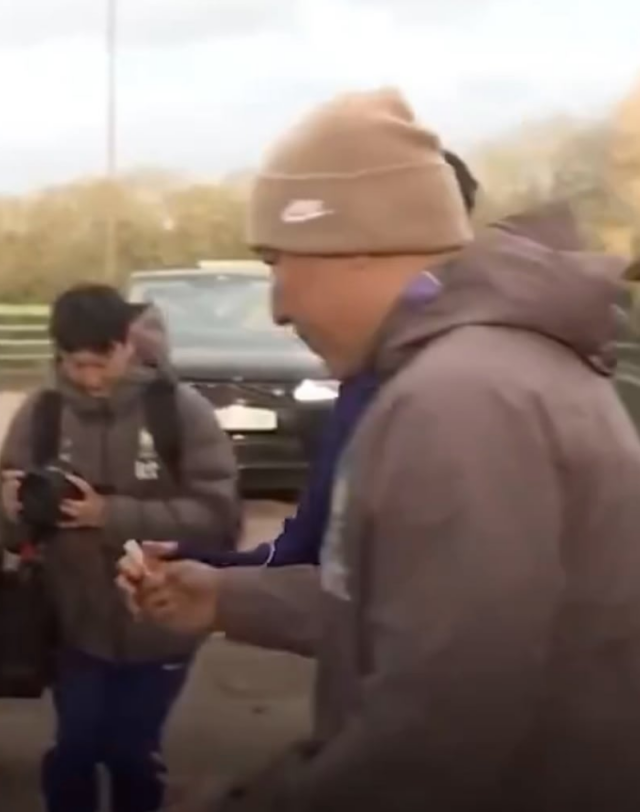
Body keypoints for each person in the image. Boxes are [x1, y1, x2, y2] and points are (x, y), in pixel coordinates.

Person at [119, 88, 640, 812]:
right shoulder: (486, 375)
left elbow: (442, 715)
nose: (277, 306)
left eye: (278, 263)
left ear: (354, 244)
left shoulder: (458, 402)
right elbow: (420, 606)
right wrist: (227, 596)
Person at [0, 283, 240, 812]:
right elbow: (13, 531)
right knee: (76, 747)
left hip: (162, 618)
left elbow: (217, 516)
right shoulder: (41, 414)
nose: (88, 378)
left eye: (99, 363)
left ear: (127, 344)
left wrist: (110, 514)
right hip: (72, 619)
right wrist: (12, 508)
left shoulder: (178, 411)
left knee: (132, 750)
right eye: (74, 365)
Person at [170, 149, 479, 571]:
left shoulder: (477, 391)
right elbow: (316, 556)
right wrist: (212, 578)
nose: (279, 311)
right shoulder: (365, 381)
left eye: (281, 263)